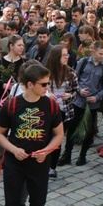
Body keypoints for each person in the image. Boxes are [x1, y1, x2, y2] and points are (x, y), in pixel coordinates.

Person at [0, 62, 64, 206]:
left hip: (40, 164)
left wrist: (47, 150)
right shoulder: (12, 104)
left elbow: (59, 134)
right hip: (14, 164)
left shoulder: (50, 104)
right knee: (12, 205)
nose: (47, 88)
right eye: (44, 84)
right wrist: (14, 149)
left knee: (38, 201)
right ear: (30, 84)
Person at [58, 41, 103, 166]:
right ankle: (67, 153)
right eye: (100, 53)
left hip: (92, 104)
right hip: (78, 101)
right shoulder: (83, 62)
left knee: (88, 131)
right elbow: (75, 79)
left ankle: (82, 155)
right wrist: (80, 90)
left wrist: (97, 97)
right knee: (72, 128)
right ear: (93, 51)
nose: (102, 56)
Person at [45, 45, 78, 179]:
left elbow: (76, 91)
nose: (66, 57)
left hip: (64, 110)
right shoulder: (46, 72)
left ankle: (52, 167)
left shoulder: (71, 73)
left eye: (67, 55)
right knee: (45, 138)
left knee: (57, 140)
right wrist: (48, 93)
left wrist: (70, 96)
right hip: (48, 110)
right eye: (63, 55)